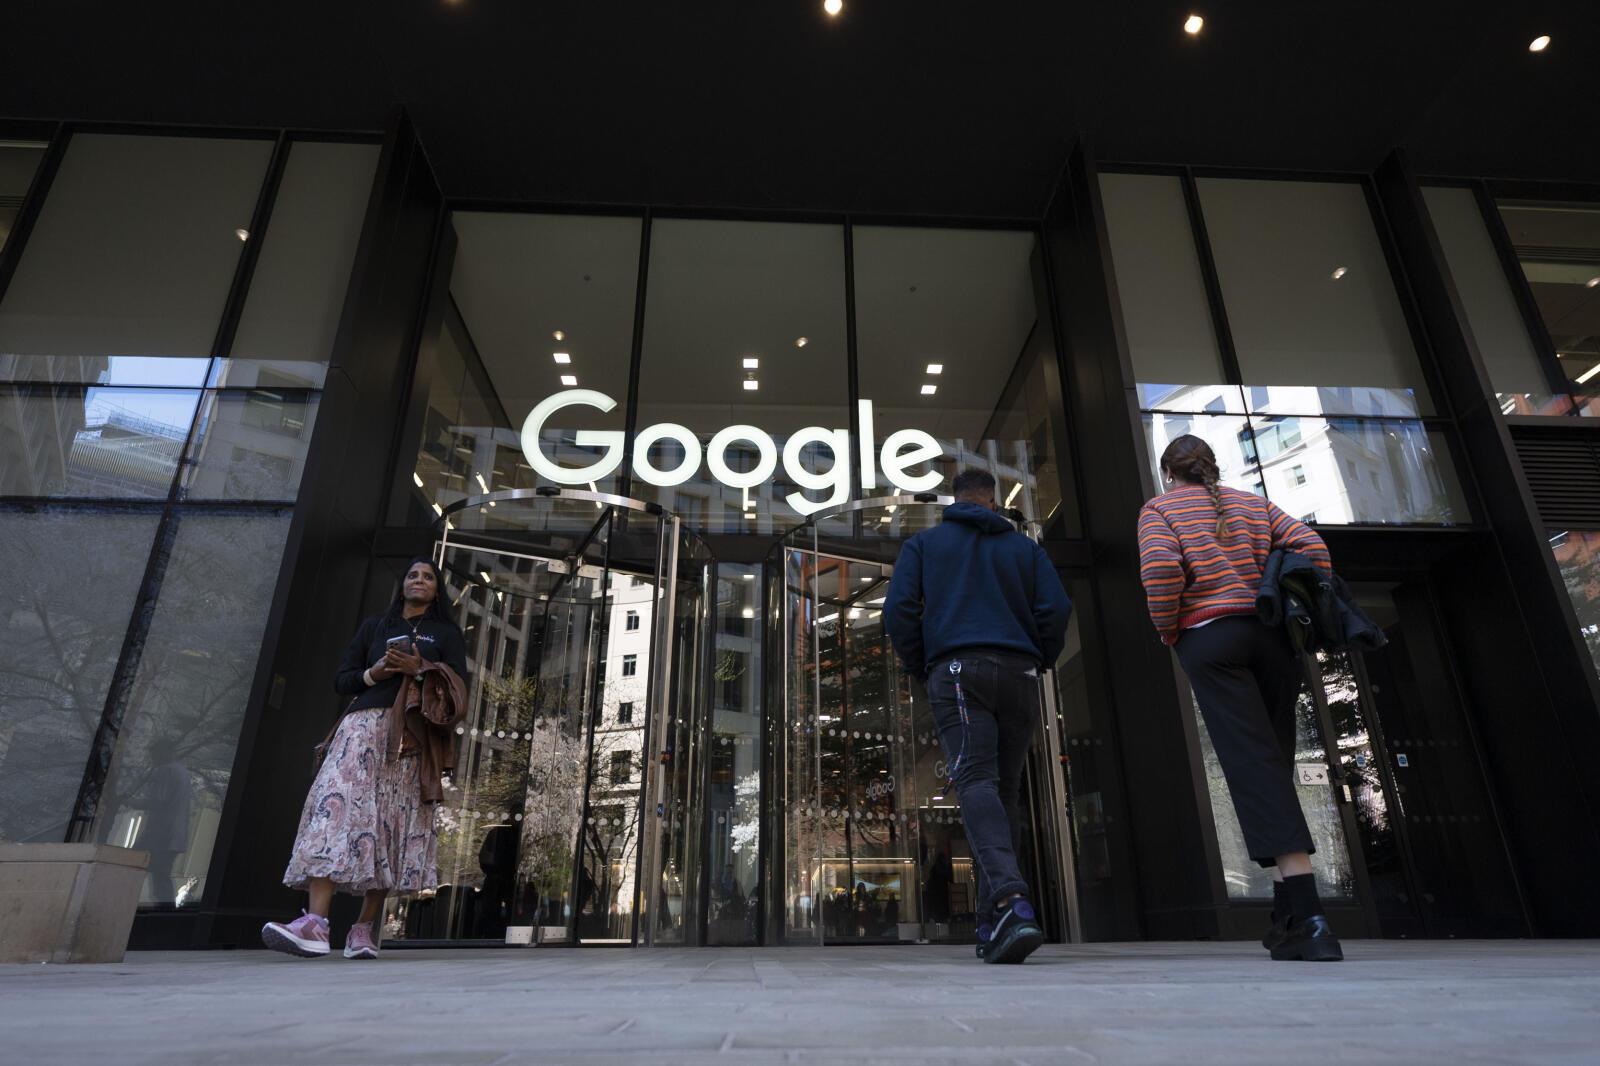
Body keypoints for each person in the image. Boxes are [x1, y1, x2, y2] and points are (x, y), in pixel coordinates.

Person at [1137, 435, 1343, 962]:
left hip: (1211, 637)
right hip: (1271, 638)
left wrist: (1169, 630)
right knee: (1271, 762)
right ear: (1211, 467)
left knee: (1254, 767)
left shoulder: (1159, 509)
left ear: (1167, 473)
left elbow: (1160, 571)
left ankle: (1311, 915)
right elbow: (1314, 548)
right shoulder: (1254, 504)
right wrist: (1268, 579)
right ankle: (1288, 915)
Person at [884, 469, 1072, 964]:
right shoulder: (1025, 550)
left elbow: (899, 611)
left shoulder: (924, 546)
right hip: (1019, 673)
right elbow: (1056, 608)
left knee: (975, 781)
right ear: (993, 501)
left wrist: (921, 663)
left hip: (958, 669)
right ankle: (995, 922)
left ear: (956, 499)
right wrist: (1041, 657)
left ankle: (1011, 899)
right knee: (1002, 791)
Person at [263, 559, 468, 960]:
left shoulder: (446, 633)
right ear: (403, 585)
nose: (419, 581)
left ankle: (362, 929)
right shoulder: (376, 626)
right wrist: (375, 672)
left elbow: (459, 689)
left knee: (390, 821)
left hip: (411, 737)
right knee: (332, 810)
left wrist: (422, 670)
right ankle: (316, 925)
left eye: (428, 577)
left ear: (437, 589)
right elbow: (343, 679)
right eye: (413, 575)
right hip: (361, 728)